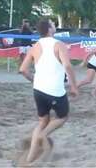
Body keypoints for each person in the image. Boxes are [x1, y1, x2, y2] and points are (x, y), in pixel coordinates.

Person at [19, 19, 79, 164]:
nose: (54, 25)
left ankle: (29, 160)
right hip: (55, 91)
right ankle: (44, 136)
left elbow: (23, 70)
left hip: (38, 90)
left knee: (42, 122)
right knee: (62, 117)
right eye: (53, 23)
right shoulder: (59, 45)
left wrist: (34, 80)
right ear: (49, 29)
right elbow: (68, 66)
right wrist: (73, 86)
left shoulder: (35, 46)